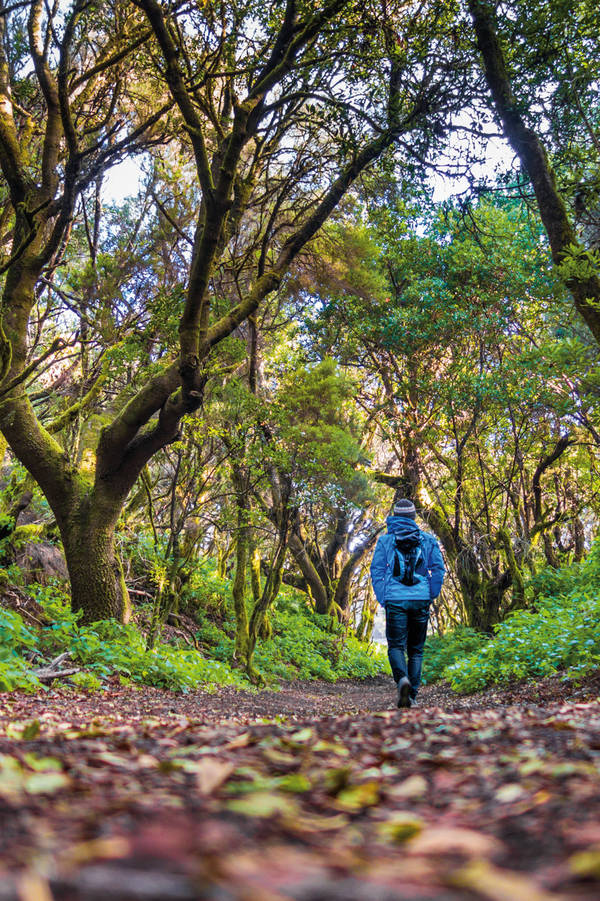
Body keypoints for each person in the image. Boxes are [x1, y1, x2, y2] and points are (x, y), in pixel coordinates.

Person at [370, 498, 445, 708]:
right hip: (421, 598)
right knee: (416, 650)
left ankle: (401, 680)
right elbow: (438, 569)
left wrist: (383, 597)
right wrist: (431, 593)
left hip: (395, 598)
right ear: (414, 517)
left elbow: (376, 570)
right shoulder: (427, 539)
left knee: (395, 645)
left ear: (395, 516)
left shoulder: (386, 541)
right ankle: (411, 695)